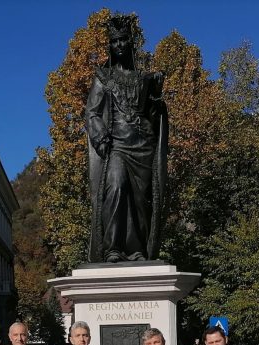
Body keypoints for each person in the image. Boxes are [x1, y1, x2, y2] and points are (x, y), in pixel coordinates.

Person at [85, 14, 168, 263]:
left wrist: (156, 95)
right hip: (118, 144)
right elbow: (92, 112)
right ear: (110, 45)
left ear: (131, 43)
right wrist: (101, 138)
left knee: (140, 200)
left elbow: (153, 114)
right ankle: (112, 248)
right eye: (114, 41)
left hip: (143, 145)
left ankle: (136, 249)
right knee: (116, 185)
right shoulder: (104, 77)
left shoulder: (144, 78)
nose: (119, 44)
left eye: (123, 40)